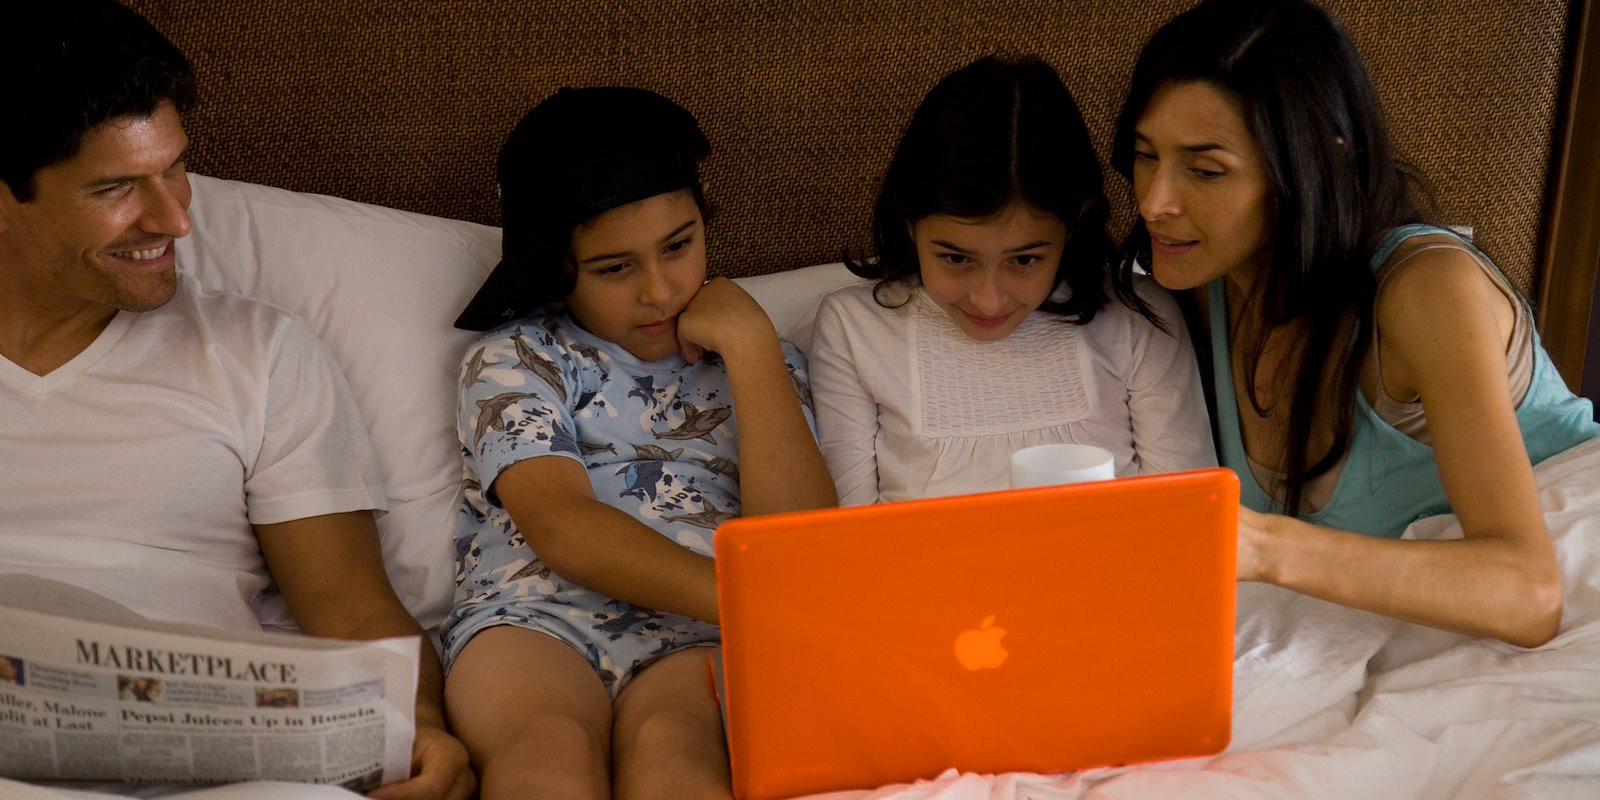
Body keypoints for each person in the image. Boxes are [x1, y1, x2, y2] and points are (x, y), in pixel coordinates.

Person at [0, 3, 472, 797]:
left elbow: (353, 613)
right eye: (117, 187)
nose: (176, 219)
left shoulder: (258, 355)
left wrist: (421, 731)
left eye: (175, 168)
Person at [1111, 0, 1600, 647]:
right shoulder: (1194, 290)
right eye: (1147, 156)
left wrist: (1263, 546)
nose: (1154, 202)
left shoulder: (1427, 291)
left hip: (1566, 590)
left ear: (1316, 158)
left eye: (1206, 171)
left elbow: (1528, 596)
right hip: (1386, 635)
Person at [442, 87, 836, 799]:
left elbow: (797, 542)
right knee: (548, 753)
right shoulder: (519, 358)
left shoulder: (763, 364)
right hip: (535, 615)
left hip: (696, 633)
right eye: (616, 268)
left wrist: (749, 345)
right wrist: (751, 606)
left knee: (676, 754)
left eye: (679, 247)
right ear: (557, 272)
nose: (660, 290)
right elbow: (564, 526)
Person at [809, 56, 1214, 505]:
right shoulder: (855, 327)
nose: (988, 300)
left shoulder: (1138, 317)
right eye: (956, 258)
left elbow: (1186, 513)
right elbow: (844, 534)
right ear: (909, 221)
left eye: (1024, 261)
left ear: (1074, 224)